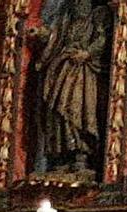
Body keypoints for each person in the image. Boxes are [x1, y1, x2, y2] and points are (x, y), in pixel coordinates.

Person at [33, 0, 111, 172]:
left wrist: (87, 53)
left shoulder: (98, 16)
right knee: (57, 111)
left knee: (79, 111)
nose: (78, 5)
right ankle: (61, 154)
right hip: (62, 68)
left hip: (83, 72)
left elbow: (102, 39)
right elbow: (56, 39)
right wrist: (44, 35)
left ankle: (81, 153)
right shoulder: (66, 19)